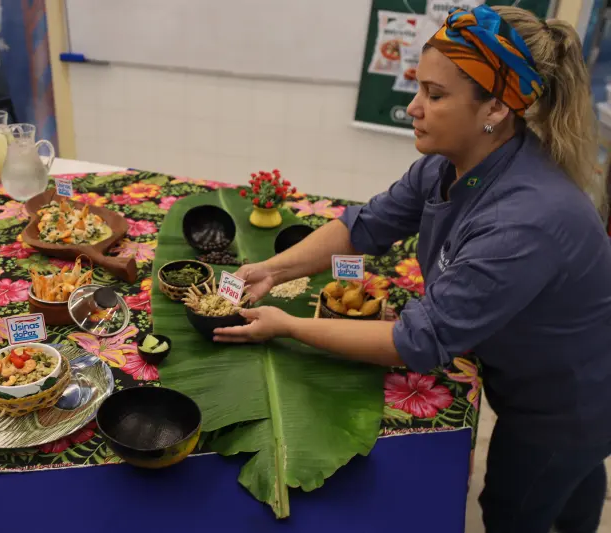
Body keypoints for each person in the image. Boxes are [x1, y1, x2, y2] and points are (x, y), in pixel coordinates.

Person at [214, 6, 611, 533]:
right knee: (573, 485)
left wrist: (288, 326)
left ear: (494, 106)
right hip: (542, 371)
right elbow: (368, 226)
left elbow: (418, 342)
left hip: (568, 400)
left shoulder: (526, 220)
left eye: (435, 95)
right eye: (418, 88)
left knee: (520, 506)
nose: (413, 108)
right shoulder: (448, 165)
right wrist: (274, 269)